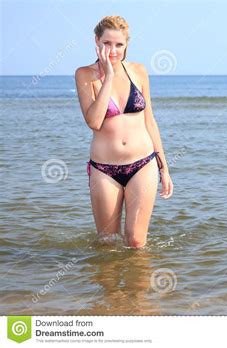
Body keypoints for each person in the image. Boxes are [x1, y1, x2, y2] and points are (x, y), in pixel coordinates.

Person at [75, 15, 173, 248]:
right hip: (104, 169)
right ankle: (111, 285)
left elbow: (150, 121)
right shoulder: (85, 75)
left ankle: (136, 285)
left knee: (137, 241)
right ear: (96, 41)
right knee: (107, 243)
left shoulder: (138, 71)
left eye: (119, 44)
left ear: (127, 44)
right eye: (107, 43)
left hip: (143, 164)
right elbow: (94, 121)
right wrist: (108, 75)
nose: (113, 50)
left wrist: (164, 168)